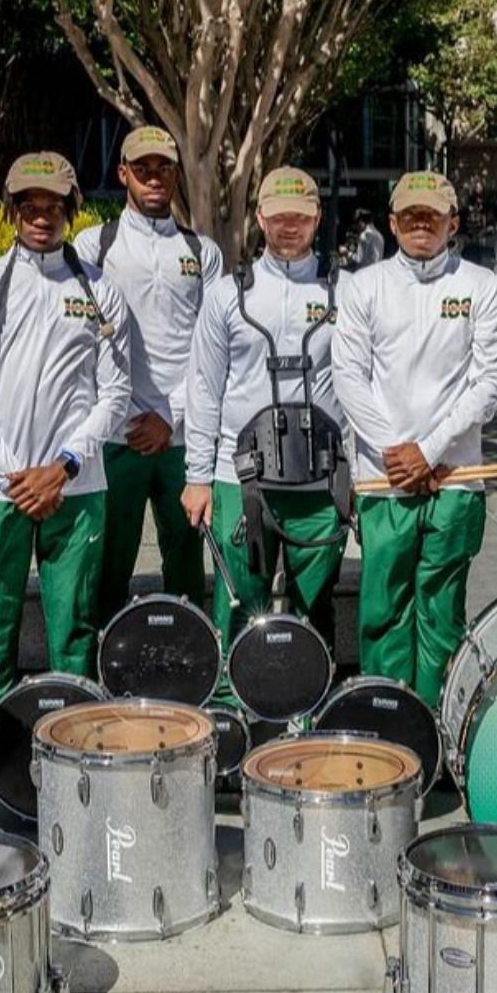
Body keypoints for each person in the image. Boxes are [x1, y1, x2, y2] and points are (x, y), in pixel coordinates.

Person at [0, 151, 130, 703]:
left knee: (74, 634)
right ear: (11, 210)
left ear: (72, 209)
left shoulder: (100, 292)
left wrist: (62, 467)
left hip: (76, 488)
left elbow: (115, 394)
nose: (42, 217)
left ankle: (73, 749)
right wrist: (17, 474)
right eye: (29, 205)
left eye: (54, 206)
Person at [332, 172, 497, 706]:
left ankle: (437, 731)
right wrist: (397, 451)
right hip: (383, 478)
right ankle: (386, 728)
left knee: (441, 613)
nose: (419, 224)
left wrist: (428, 450)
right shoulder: (363, 286)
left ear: (452, 222)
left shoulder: (480, 286)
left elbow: (493, 379)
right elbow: (348, 376)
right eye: (409, 215)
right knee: (383, 611)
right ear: (391, 222)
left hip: (455, 476)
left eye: (431, 215)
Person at [181, 166, 347, 648]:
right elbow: (204, 388)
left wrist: (353, 471)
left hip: (320, 480)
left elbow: (360, 385)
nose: (288, 227)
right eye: (278, 217)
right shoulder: (225, 296)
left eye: (299, 217)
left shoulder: (345, 290)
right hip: (242, 479)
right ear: (259, 218)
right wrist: (198, 477)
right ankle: (231, 710)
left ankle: (308, 709)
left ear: (316, 218)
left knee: (314, 609)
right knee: (237, 605)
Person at [72, 126, 219, 630]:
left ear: (176, 174)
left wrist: (170, 415)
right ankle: (102, 677)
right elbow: (80, 341)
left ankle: (186, 666)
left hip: (181, 437)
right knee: (108, 567)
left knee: (185, 567)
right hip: (116, 436)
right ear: (123, 174)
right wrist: (124, 414)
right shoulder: (95, 245)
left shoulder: (204, 252)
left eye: (163, 168)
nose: (154, 178)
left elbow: (211, 347)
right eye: (143, 169)